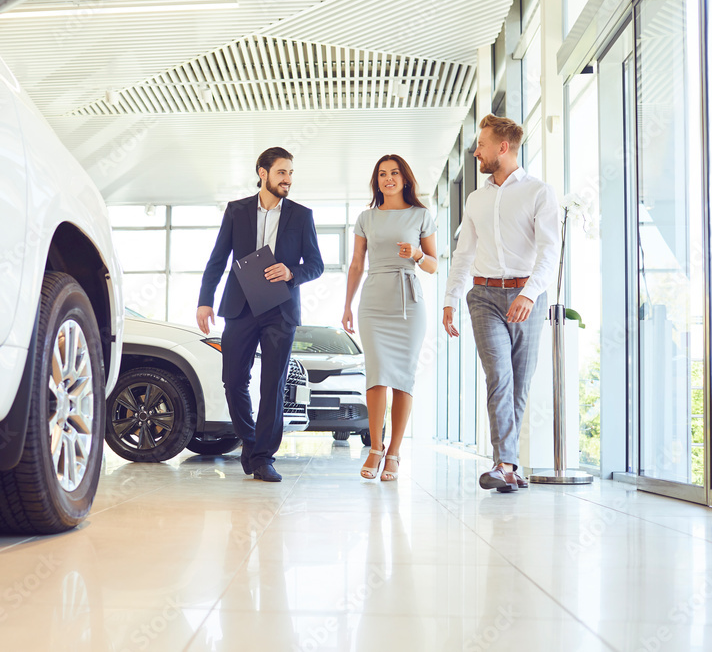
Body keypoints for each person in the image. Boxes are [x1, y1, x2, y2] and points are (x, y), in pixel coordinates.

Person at [442, 114, 560, 493]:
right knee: (499, 377)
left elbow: (549, 250)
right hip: (484, 296)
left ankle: (509, 467)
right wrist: (450, 299)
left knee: (519, 384)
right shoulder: (476, 199)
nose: (477, 152)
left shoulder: (539, 192)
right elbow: (463, 255)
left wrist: (529, 293)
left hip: (528, 296)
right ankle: (504, 462)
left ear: (502, 147)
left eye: (481, 145)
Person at [197, 147, 324, 482]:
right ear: (263, 173)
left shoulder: (301, 215)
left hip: (281, 309)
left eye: (291, 173)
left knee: (273, 384)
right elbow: (217, 258)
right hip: (240, 307)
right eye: (282, 172)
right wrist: (204, 301)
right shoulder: (237, 211)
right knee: (234, 379)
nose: (288, 180)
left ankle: (264, 457)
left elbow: (316, 265)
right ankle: (251, 442)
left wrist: (290, 271)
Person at [342, 154, 437, 481]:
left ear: (405, 179)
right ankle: (376, 448)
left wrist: (418, 254)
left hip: (408, 302)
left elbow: (434, 265)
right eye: (382, 174)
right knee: (377, 374)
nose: (388, 179)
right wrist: (346, 305)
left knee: (403, 377)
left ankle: (394, 453)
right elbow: (356, 264)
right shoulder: (366, 218)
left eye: (394, 173)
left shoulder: (421, 215)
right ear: (377, 181)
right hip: (373, 301)